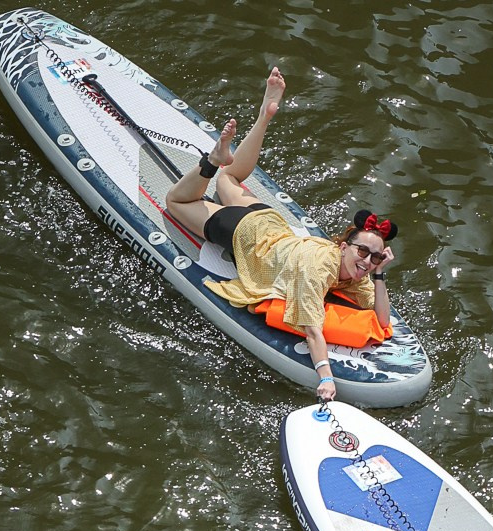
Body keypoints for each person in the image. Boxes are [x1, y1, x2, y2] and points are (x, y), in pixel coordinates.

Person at [164, 69, 396, 403]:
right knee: (177, 201)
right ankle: (211, 160)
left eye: (375, 257)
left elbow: (382, 319)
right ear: (344, 247)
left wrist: (380, 273)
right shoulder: (318, 271)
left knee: (230, 178)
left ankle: (264, 114)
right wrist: (326, 378)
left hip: (272, 223)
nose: (367, 262)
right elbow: (313, 329)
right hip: (245, 233)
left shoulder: (356, 273)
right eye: (363, 253)